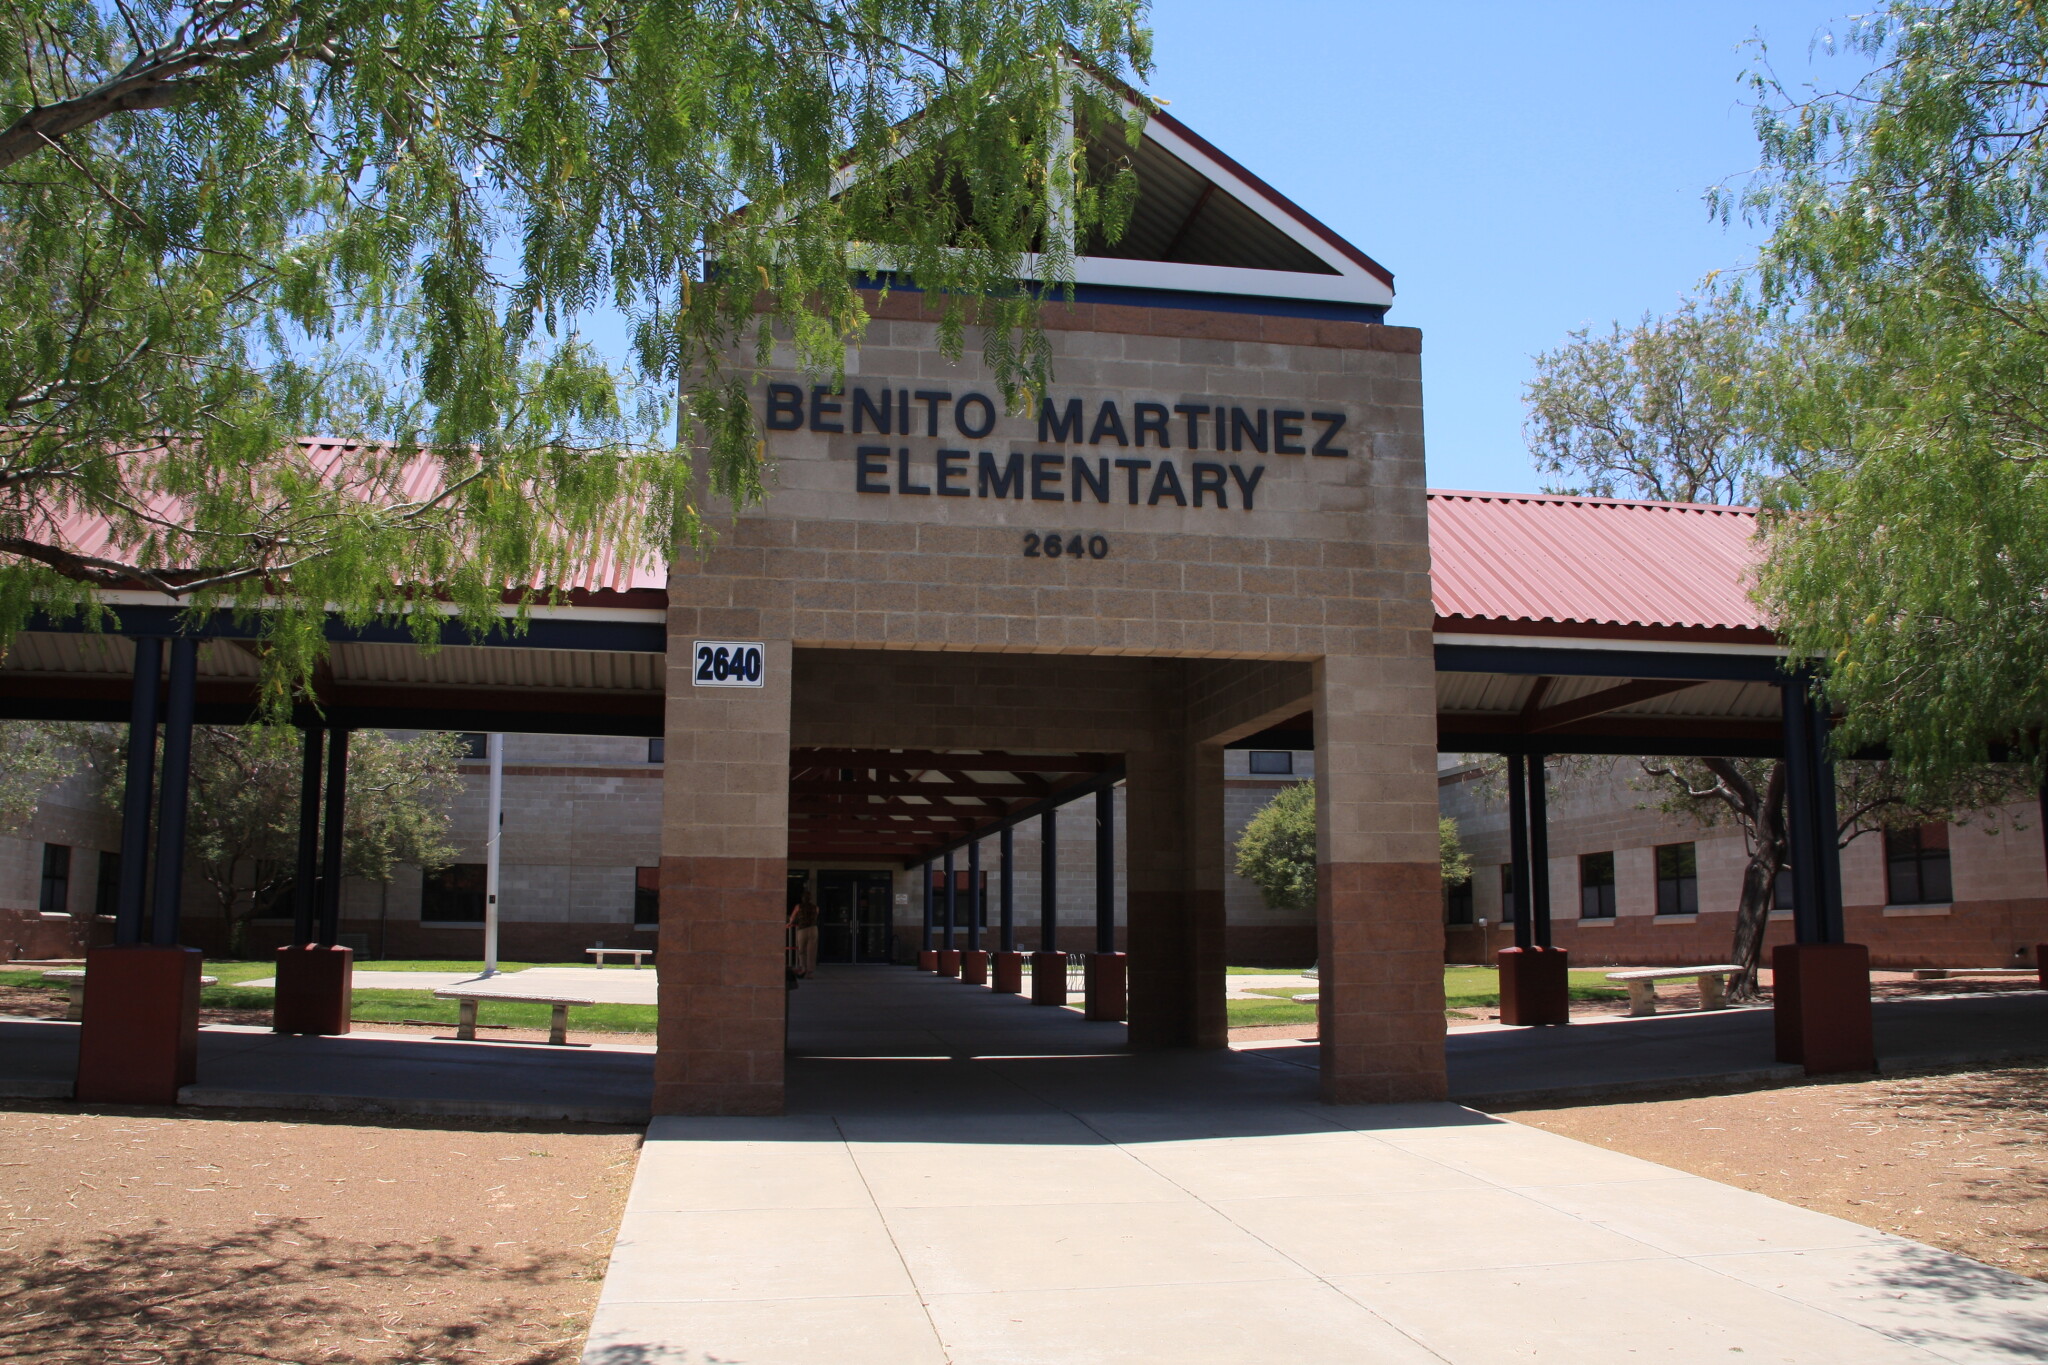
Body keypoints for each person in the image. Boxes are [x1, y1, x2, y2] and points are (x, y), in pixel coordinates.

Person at [788, 894, 820, 978]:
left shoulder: (798, 906)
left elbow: (792, 917)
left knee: (802, 950)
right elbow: (816, 916)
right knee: (811, 951)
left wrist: (790, 923)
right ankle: (810, 972)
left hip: (802, 929)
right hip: (813, 929)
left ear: (803, 899)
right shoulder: (815, 907)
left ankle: (803, 968)